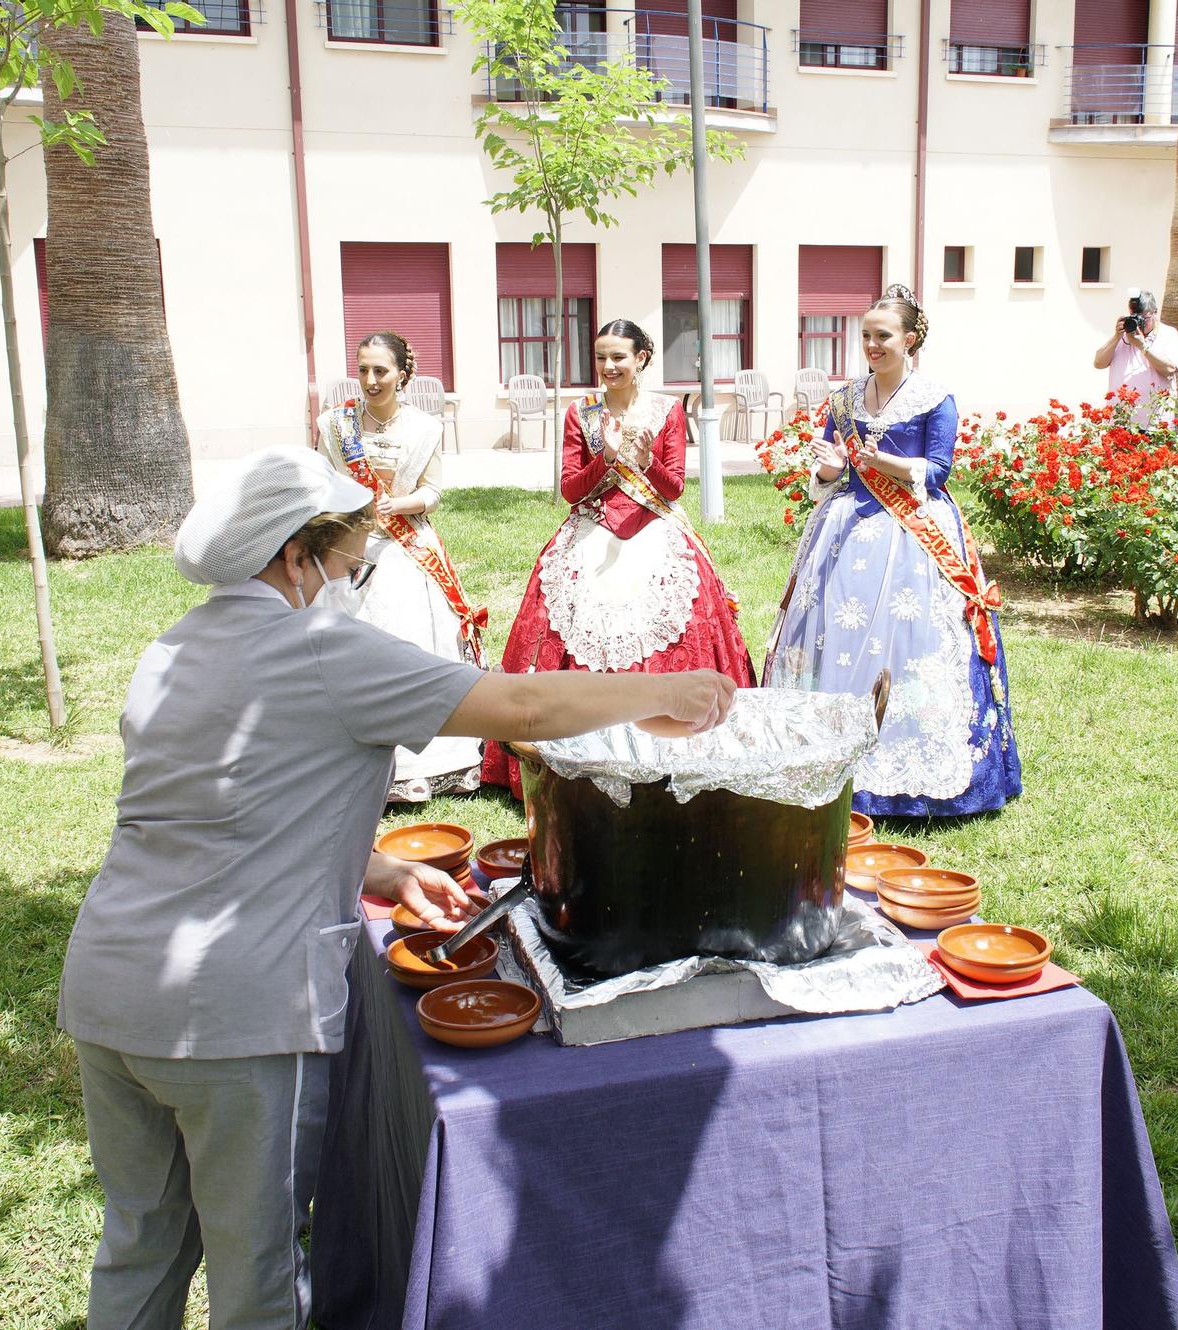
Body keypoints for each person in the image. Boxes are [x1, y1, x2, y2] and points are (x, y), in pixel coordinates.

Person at [58, 446, 736, 1330]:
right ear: (296, 557)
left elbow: (215, 809)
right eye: (349, 563)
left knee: (141, 1246)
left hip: (110, 992)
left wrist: (374, 867)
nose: (352, 580)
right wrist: (665, 688)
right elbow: (521, 709)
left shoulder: (171, 650)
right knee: (255, 1271)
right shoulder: (322, 646)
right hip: (237, 1015)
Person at [763, 284, 1021, 818]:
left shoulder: (934, 398)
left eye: (883, 336)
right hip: (846, 527)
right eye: (866, 336)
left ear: (910, 340)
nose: (872, 345)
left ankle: (911, 767)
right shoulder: (844, 399)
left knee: (911, 638)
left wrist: (888, 465)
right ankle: (831, 753)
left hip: (913, 532)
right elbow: (830, 473)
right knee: (836, 629)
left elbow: (940, 470)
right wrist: (832, 466)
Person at [479, 319, 755, 795]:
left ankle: (674, 741)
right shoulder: (580, 414)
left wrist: (646, 462)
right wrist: (604, 458)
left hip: (654, 527)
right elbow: (569, 491)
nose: (608, 366)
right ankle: (576, 740)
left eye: (619, 357)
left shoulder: (667, 411)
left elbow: (673, 488)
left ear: (641, 358)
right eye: (601, 357)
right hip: (591, 525)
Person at [317, 331, 486, 802]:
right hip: (350, 548)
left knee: (411, 647)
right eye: (363, 369)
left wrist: (395, 504)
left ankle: (419, 764)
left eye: (381, 371)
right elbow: (320, 482)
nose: (370, 380)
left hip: (405, 549)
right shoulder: (335, 425)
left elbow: (432, 491)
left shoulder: (424, 428)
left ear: (402, 375)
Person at [1092, 288, 1178, 423]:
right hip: (1121, 419)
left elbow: (1169, 369)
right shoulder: (1124, 334)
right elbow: (1098, 363)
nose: (1140, 322)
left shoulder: (1169, 334)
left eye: (1144, 317)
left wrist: (1143, 346)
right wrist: (1117, 336)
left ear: (1155, 313)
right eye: (1135, 316)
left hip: (1154, 422)